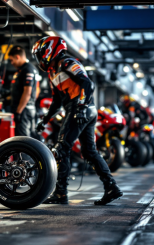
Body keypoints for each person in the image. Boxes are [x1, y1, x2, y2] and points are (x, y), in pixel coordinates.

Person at [33, 36, 123, 205]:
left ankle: (60, 193)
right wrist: (45, 119)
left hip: (80, 110)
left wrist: (80, 107)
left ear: (51, 49)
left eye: (40, 53)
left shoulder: (66, 63)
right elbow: (57, 102)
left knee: (62, 148)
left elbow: (87, 84)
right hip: (85, 111)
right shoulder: (53, 72)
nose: (39, 58)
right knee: (89, 151)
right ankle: (111, 188)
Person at [9, 45, 38, 136]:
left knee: (23, 140)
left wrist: (19, 112)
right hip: (28, 109)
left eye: (11, 60)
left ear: (17, 57)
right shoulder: (27, 69)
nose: (11, 63)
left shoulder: (27, 69)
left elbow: (27, 92)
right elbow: (37, 90)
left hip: (24, 111)